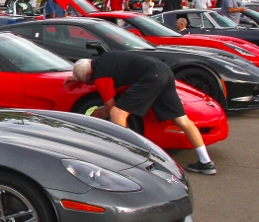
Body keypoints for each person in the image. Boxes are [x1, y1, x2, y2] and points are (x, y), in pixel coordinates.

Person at [67, 52, 216, 174]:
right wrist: (77, 78)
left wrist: (96, 114)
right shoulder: (104, 59)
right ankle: (206, 162)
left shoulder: (100, 75)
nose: (91, 84)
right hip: (164, 71)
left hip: (150, 77)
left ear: (89, 74)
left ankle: (125, 159)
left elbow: (109, 106)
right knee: (182, 120)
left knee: (117, 113)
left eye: (88, 81)